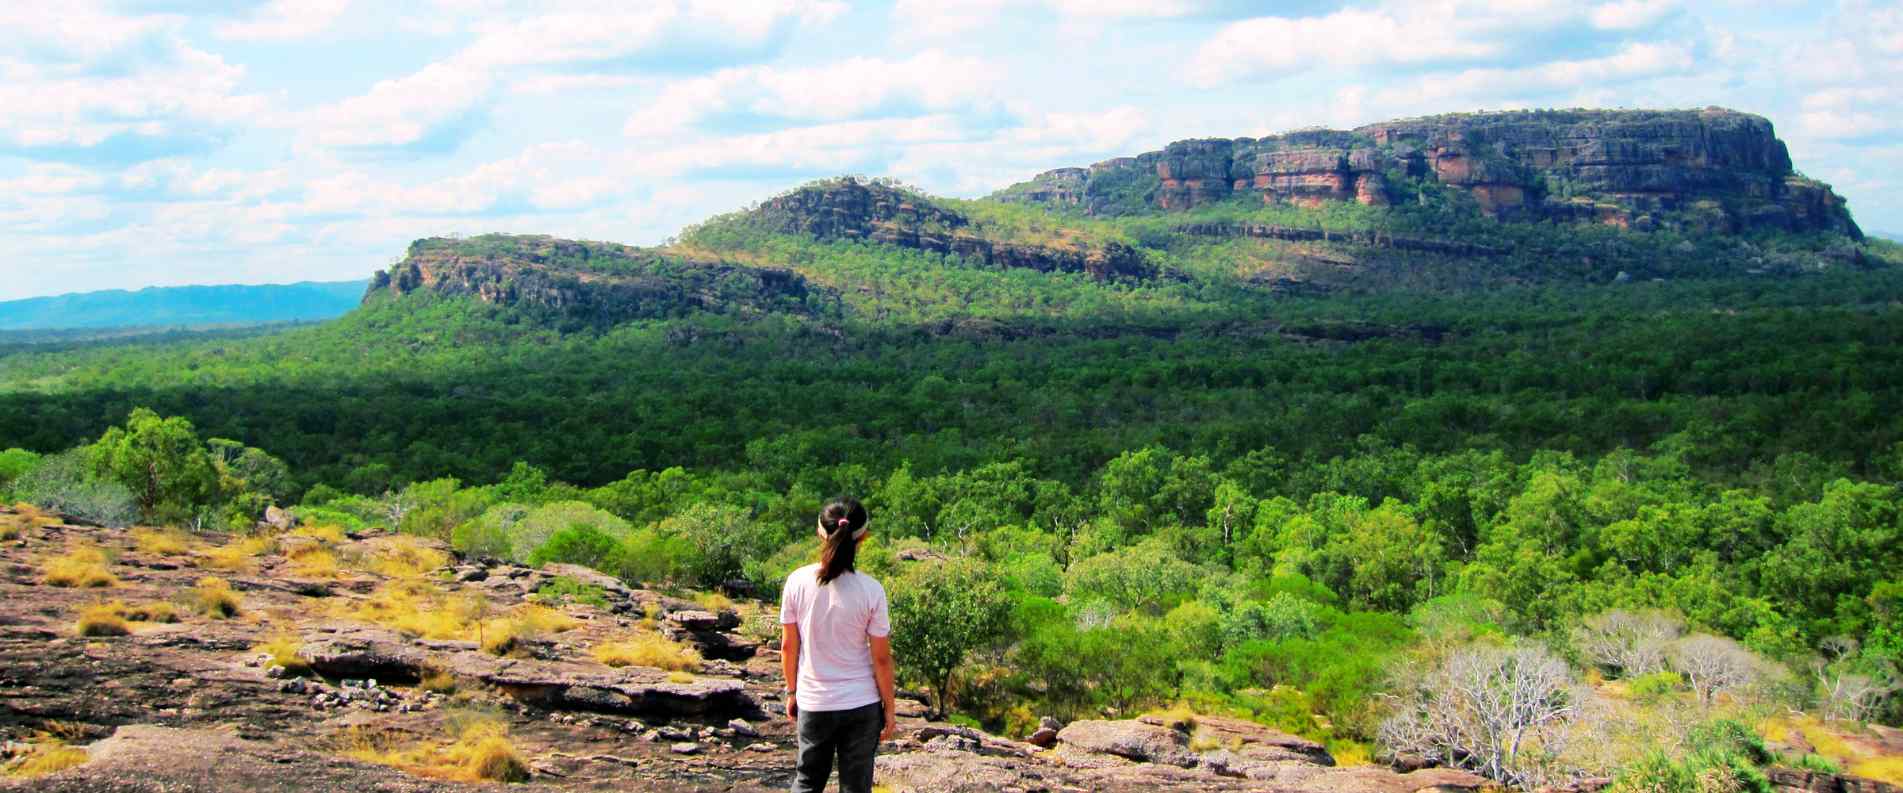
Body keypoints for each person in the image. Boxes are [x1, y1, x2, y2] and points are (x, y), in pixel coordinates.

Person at [779, 497, 898, 793]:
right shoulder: (872, 590)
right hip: (861, 705)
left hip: (814, 701)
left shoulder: (797, 582)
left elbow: (788, 647)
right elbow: (881, 659)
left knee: (807, 781)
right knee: (856, 788)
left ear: (820, 532)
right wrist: (890, 710)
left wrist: (792, 692)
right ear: (864, 537)